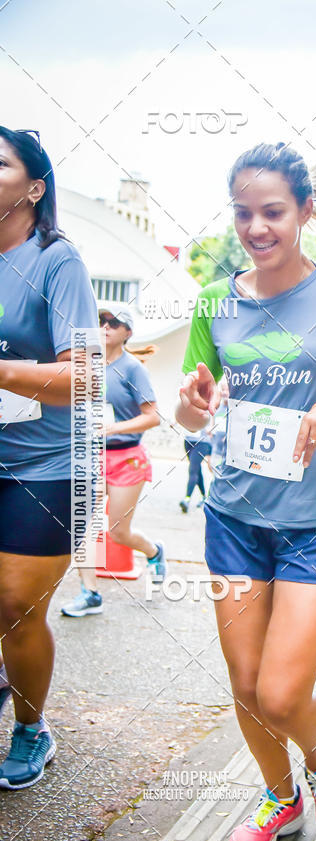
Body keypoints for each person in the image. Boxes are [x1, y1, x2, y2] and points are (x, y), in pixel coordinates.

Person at [176, 131, 316, 841]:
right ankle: (282, 797)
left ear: (305, 209)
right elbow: (191, 412)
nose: (255, 228)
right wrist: (193, 401)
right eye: (242, 213)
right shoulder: (216, 301)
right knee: (245, 686)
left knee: (280, 693)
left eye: (271, 211)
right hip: (234, 516)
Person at [0, 127, 99, 788]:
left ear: (34, 187)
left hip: (49, 467)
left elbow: (85, 375)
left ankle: (32, 728)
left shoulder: (57, 260)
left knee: (13, 605)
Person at [61, 309, 164, 616]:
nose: (105, 327)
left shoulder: (132, 369)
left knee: (118, 532)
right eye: (101, 322)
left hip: (126, 457)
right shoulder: (82, 364)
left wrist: (113, 428)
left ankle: (154, 551)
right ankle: (90, 593)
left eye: (114, 323)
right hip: (88, 454)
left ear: (127, 332)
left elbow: (153, 417)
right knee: (81, 526)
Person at [179, 425, 213, 512]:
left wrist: (211, 429)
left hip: (202, 442)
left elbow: (214, 418)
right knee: (197, 470)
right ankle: (204, 497)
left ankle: (187, 499)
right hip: (188, 440)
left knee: (192, 469)